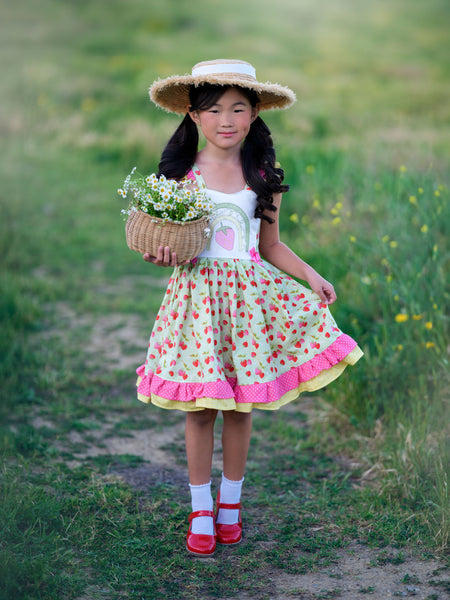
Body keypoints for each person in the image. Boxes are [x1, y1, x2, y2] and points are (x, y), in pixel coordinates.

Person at [135, 59, 363, 557]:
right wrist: (160, 255)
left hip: (249, 305)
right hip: (197, 304)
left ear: (256, 113)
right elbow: (168, 244)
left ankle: (231, 504)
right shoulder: (179, 176)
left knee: (240, 407)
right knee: (200, 408)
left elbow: (272, 245)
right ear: (194, 117)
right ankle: (200, 507)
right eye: (213, 109)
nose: (226, 119)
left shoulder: (261, 175)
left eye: (238, 108)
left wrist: (312, 275)